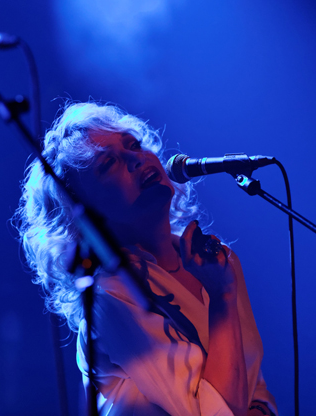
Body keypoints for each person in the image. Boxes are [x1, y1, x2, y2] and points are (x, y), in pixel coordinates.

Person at [16, 102, 278, 416]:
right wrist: (222, 299)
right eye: (108, 163)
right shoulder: (110, 296)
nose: (135, 158)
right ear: (84, 214)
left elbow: (255, 387)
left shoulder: (219, 262)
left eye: (134, 145)